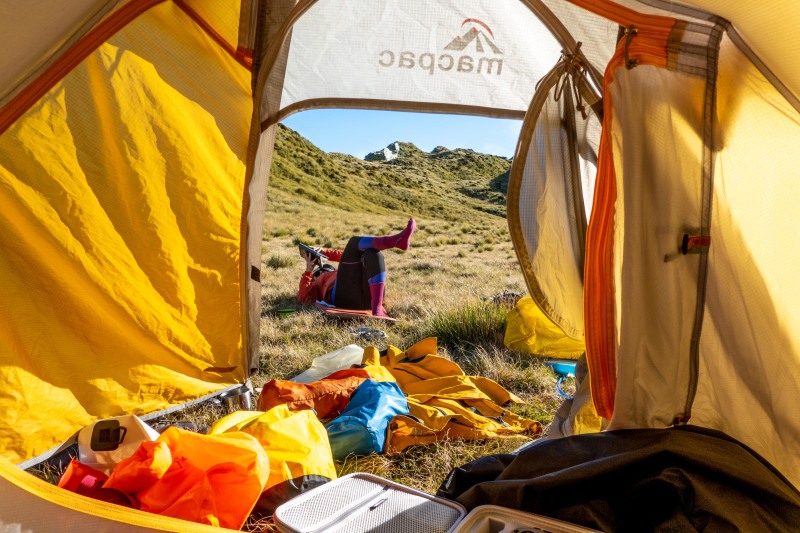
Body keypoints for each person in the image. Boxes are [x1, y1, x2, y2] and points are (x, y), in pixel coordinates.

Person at [297, 218, 416, 317]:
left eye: (326, 268)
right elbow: (304, 298)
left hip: (365, 300)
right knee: (353, 242)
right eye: (320, 271)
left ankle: (376, 307)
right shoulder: (317, 282)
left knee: (372, 253)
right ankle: (395, 241)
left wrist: (324, 252)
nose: (323, 270)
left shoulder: (340, 273)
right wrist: (309, 271)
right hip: (344, 299)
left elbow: (347, 256)